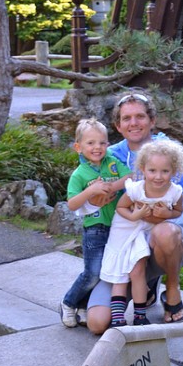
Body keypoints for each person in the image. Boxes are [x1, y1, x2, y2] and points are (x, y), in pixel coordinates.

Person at [84, 92, 183, 333]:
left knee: (165, 232)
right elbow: (88, 203)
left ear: (152, 120)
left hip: (163, 246)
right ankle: (143, 286)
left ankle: (172, 288)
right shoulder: (108, 156)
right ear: (118, 125)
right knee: (97, 323)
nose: (133, 123)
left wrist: (163, 218)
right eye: (126, 118)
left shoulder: (173, 156)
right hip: (125, 249)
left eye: (140, 116)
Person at [100, 140, 183, 326]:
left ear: (174, 170)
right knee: (121, 271)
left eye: (165, 171)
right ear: (143, 169)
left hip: (144, 233)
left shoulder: (175, 191)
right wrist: (135, 215)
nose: (158, 176)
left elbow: (178, 212)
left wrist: (167, 214)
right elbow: (121, 208)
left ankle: (140, 315)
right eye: (152, 170)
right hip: (126, 229)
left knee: (137, 269)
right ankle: (117, 318)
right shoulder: (136, 189)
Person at [60, 118, 130, 327]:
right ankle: (68, 302)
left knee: (106, 271)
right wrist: (90, 191)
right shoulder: (79, 174)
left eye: (102, 142)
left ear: (108, 144)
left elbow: (130, 177)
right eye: (90, 143)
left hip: (117, 227)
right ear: (78, 147)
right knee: (93, 272)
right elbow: (72, 204)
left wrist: (112, 187)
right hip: (95, 230)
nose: (97, 147)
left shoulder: (112, 162)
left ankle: (83, 305)